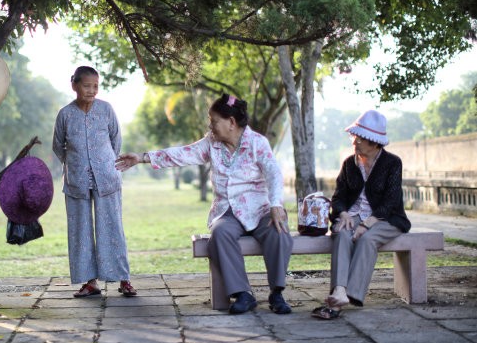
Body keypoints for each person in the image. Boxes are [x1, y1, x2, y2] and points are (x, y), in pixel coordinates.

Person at [116, 94, 293, 314]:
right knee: (220, 234)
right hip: (227, 211)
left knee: (279, 231)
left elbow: (274, 173)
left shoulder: (258, 142)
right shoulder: (212, 143)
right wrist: (142, 157)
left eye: (214, 120)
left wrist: (276, 204)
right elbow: (182, 154)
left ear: (231, 122)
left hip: (259, 209)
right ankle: (242, 294)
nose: (210, 125)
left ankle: (277, 293)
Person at [312, 109, 411, 320]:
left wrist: (367, 224)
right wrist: (344, 213)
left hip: (386, 218)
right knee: (341, 231)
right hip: (354, 214)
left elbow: (391, 201)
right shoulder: (350, 163)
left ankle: (346, 297)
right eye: (353, 138)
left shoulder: (393, 163)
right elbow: (338, 196)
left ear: (374, 143)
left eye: (358, 139)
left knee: (367, 239)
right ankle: (339, 290)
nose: (354, 143)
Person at [52, 66, 137, 298]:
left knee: (112, 228)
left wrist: (104, 163)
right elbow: (58, 146)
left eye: (96, 86)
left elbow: (115, 141)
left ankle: (123, 279)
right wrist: (75, 165)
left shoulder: (106, 110)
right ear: (74, 86)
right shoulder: (65, 114)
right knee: (80, 231)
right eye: (87, 86)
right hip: (76, 181)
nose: (92, 91)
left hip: (107, 178)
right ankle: (90, 282)